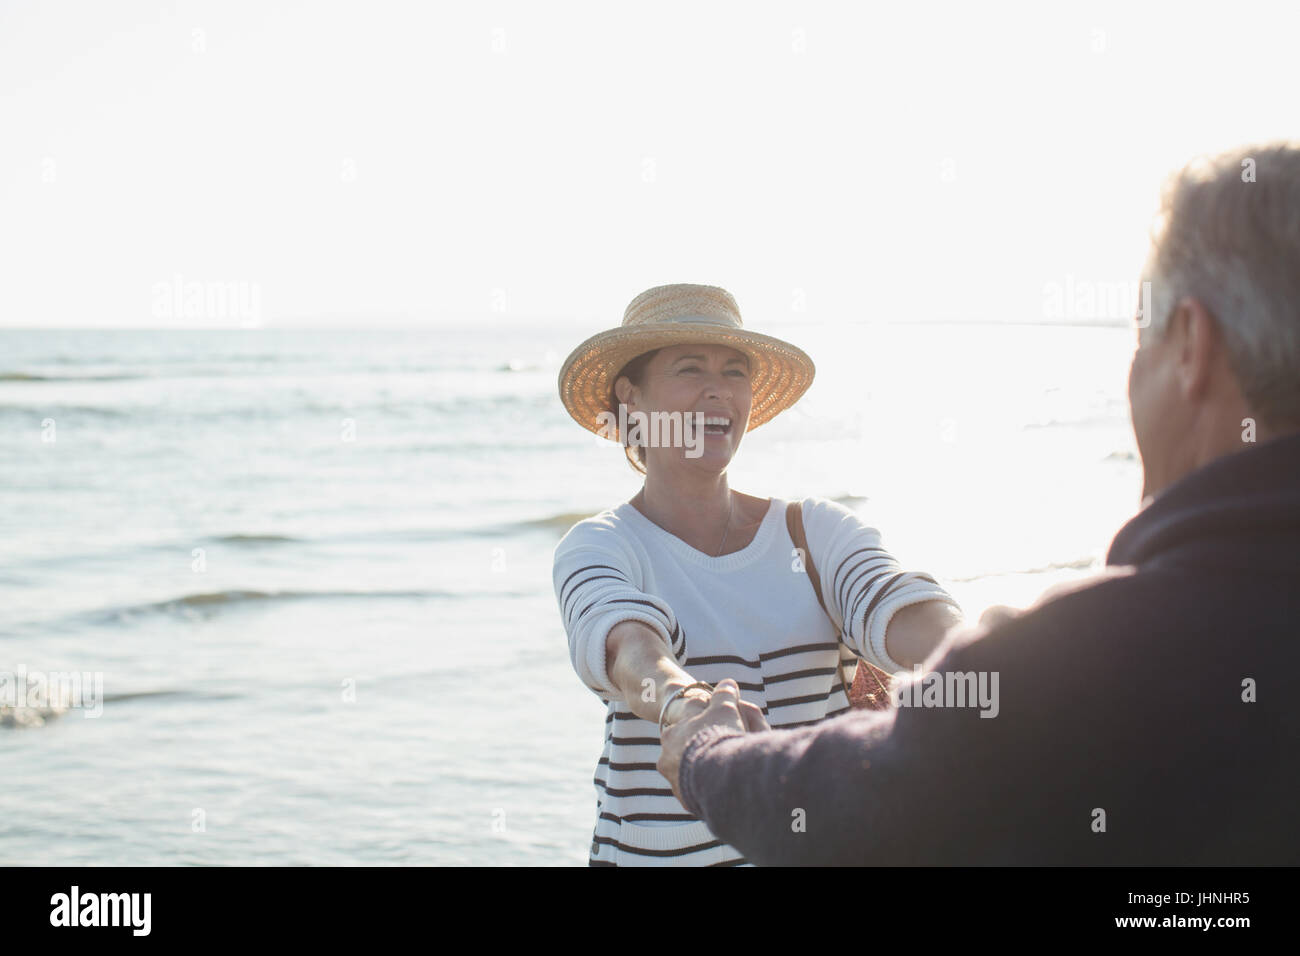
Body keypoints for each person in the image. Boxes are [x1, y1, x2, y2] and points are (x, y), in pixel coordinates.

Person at [657, 143, 1300, 865]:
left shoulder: (1096, 658)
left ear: (1191, 346)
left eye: (1139, 344)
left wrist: (705, 751)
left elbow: (850, 806)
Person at [552, 283, 965, 866]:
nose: (716, 389)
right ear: (631, 398)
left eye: (734, 371)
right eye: (689, 369)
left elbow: (900, 605)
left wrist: (988, 658)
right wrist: (682, 703)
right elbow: (625, 646)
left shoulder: (813, 532)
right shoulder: (603, 545)